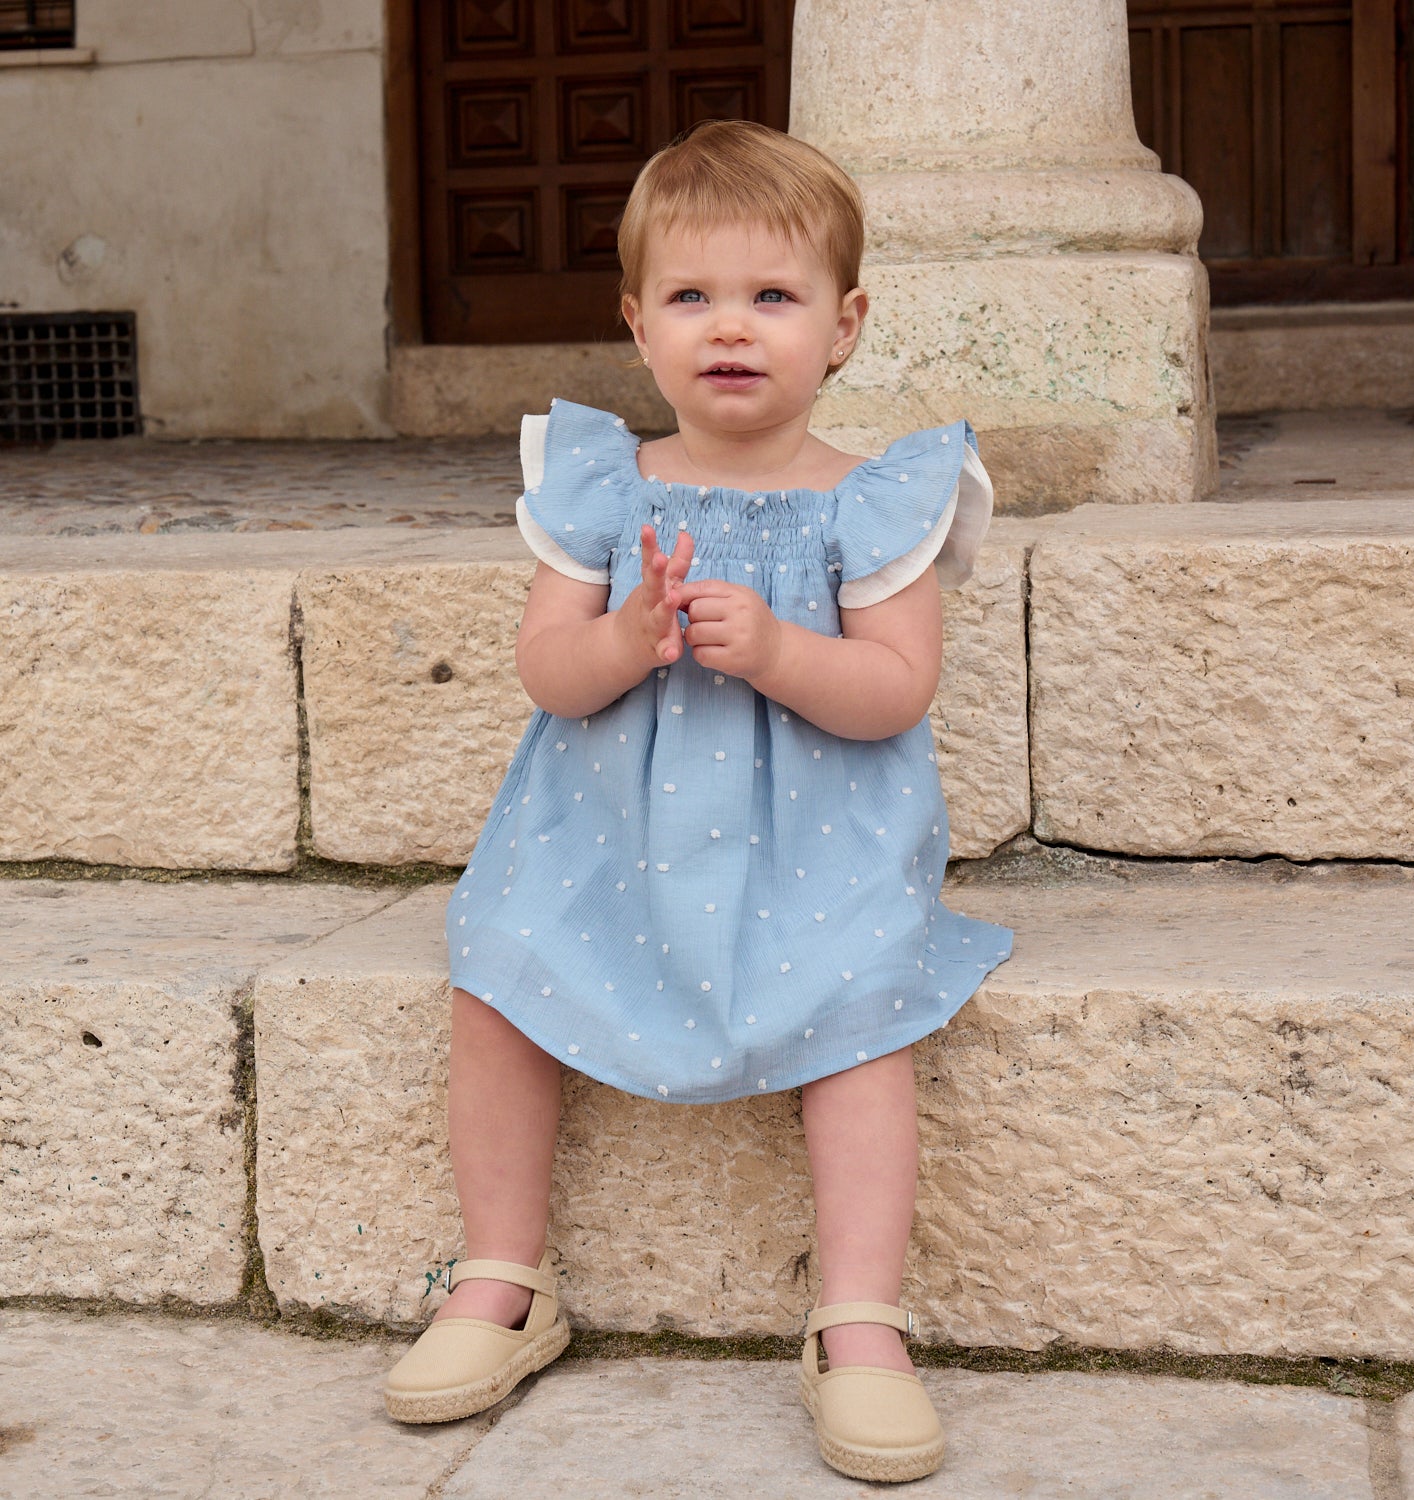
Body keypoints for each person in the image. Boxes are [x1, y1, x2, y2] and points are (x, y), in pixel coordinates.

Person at [383, 119, 1012, 1484]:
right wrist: (626, 637)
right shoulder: (607, 487)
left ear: (843, 326)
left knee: (861, 1019)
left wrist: (782, 650)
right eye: (692, 297)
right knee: (495, 974)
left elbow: (896, 690)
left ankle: (860, 1316)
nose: (731, 328)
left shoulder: (872, 500)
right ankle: (500, 1273)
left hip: (816, 850)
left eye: (772, 297)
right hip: (604, 834)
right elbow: (547, 672)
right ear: (636, 322)